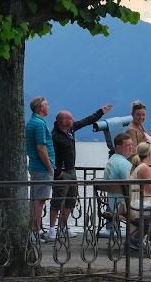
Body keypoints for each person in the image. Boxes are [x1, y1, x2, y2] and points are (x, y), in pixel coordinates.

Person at [48, 103, 113, 240]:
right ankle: (52, 229)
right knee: (57, 201)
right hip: (62, 174)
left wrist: (101, 112)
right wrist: (57, 172)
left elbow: (87, 121)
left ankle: (63, 227)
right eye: (71, 119)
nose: (73, 120)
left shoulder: (71, 130)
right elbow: (49, 155)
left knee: (70, 200)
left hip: (72, 172)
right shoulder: (54, 136)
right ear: (64, 122)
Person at [25, 96, 55, 239]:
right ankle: (35, 231)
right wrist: (49, 166)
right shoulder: (40, 124)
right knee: (40, 200)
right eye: (47, 105)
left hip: (35, 165)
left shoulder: (31, 122)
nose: (48, 107)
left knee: (34, 199)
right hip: (42, 167)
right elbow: (41, 147)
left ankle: (32, 229)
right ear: (41, 107)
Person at [103, 133, 135, 222]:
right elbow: (133, 186)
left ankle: (135, 234)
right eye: (127, 145)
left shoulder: (112, 160)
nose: (131, 147)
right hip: (124, 205)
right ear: (118, 147)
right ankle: (136, 235)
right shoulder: (124, 164)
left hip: (113, 203)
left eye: (131, 144)